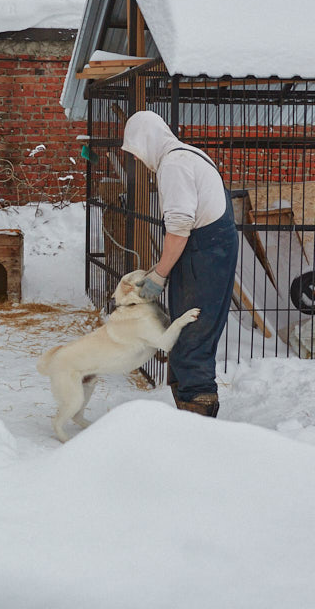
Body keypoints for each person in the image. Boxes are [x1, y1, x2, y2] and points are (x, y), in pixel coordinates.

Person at [120, 111, 238, 417]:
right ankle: (187, 413)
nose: (141, 161)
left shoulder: (174, 164)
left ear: (146, 141)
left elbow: (180, 226)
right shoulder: (189, 154)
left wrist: (159, 275)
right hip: (209, 249)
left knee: (193, 336)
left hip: (205, 252)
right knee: (188, 332)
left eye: (137, 151)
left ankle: (196, 419)